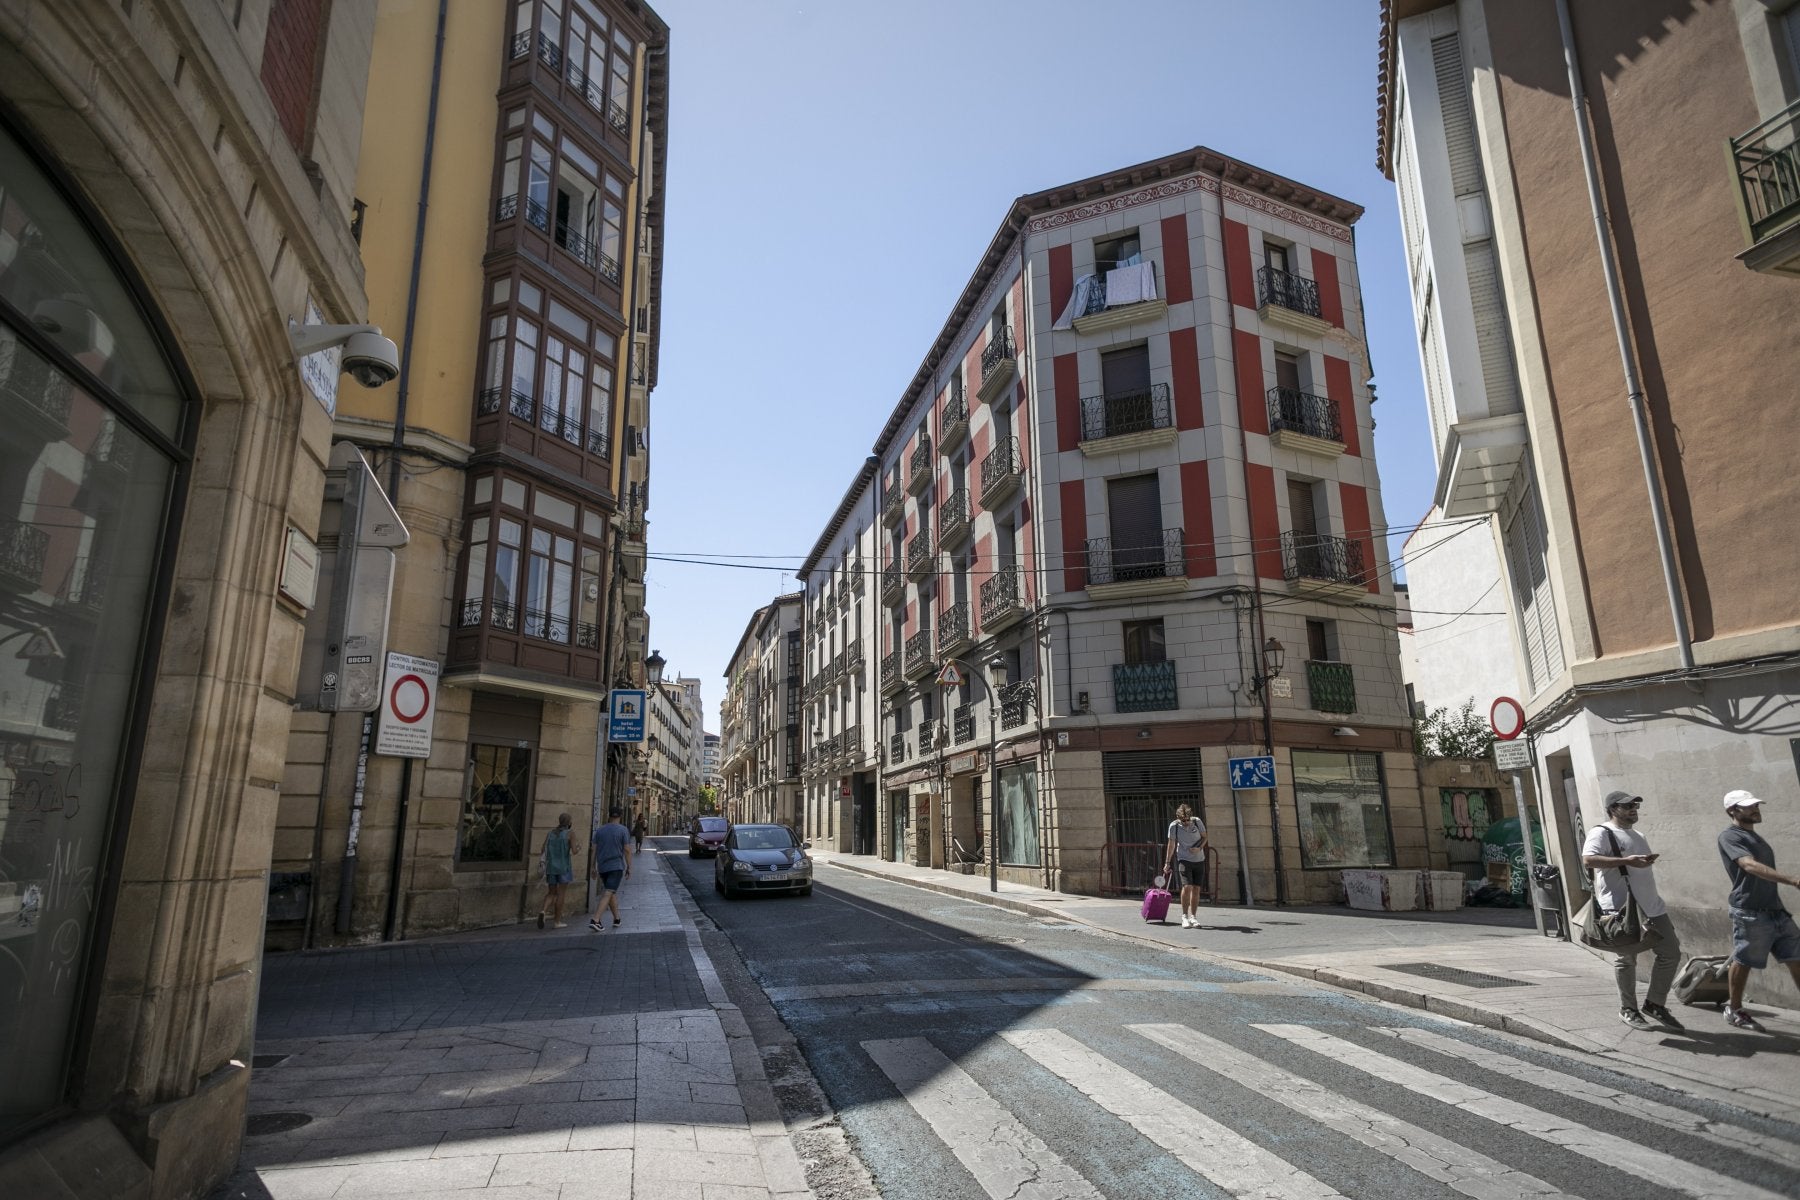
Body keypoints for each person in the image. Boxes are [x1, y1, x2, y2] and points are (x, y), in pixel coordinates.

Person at [1581, 791, 1683, 1031]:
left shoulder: (1638, 834)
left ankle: (1655, 1003)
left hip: (1652, 906)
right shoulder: (1601, 832)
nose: (1633, 808)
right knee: (1626, 960)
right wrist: (1627, 861)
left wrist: (1641, 862)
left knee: (1671, 953)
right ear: (1612, 809)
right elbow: (1588, 860)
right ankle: (1628, 1009)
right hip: (1622, 907)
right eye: (1627, 805)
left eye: (1635, 804)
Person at [1717, 789, 1800, 1031]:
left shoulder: (1755, 836)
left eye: (1756, 805)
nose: (1755, 809)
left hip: (1776, 911)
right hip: (1750, 911)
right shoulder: (1729, 836)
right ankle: (1734, 1009)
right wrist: (1792, 880)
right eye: (1748, 806)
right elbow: (1749, 866)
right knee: (1744, 960)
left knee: (1797, 959)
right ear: (1732, 811)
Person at [1162, 804, 1209, 929]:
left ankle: (1193, 916)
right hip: (1184, 859)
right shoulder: (1174, 826)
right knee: (1187, 886)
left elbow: (1205, 837)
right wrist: (1167, 862)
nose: (1186, 822)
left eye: (1188, 819)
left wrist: (1199, 848)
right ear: (1178, 818)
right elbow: (1171, 845)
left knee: (1196, 889)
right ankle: (1184, 916)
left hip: (1199, 859)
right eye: (1183, 820)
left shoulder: (1197, 821)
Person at [588, 808, 633, 932]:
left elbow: (594, 849)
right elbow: (627, 850)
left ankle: (617, 918)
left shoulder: (600, 830)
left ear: (608, 816)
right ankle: (596, 920)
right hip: (616, 866)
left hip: (603, 866)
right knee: (608, 892)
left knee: (610, 891)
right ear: (620, 816)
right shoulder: (623, 830)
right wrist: (629, 866)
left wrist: (592, 866)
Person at [536, 812, 575, 930]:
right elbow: (574, 851)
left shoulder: (550, 833)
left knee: (551, 893)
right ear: (569, 822)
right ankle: (557, 922)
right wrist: (578, 847)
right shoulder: (570, 833)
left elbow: (543, 849)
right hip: (564, 868)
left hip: (551, 868)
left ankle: (543, 911)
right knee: (561, 894)